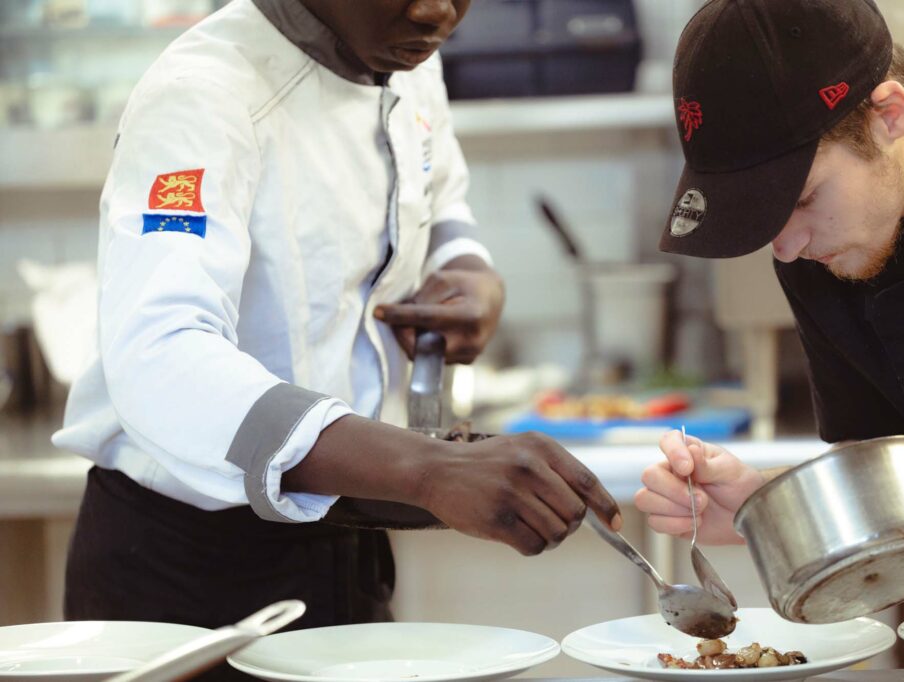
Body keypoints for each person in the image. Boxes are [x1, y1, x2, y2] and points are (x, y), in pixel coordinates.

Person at [52, 0, 622, 663]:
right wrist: (429, 468)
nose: (438, 8)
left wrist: (465, 268)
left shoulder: (403, 58)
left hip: (344, 541)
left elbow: (440, 197)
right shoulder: (201, 95)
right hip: (185, 571)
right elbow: (159, 354)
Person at [637, 0, 904, 605]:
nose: (786, 248)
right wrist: (772, 510)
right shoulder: (826, 255)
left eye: (805, 197)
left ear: (889, 114)